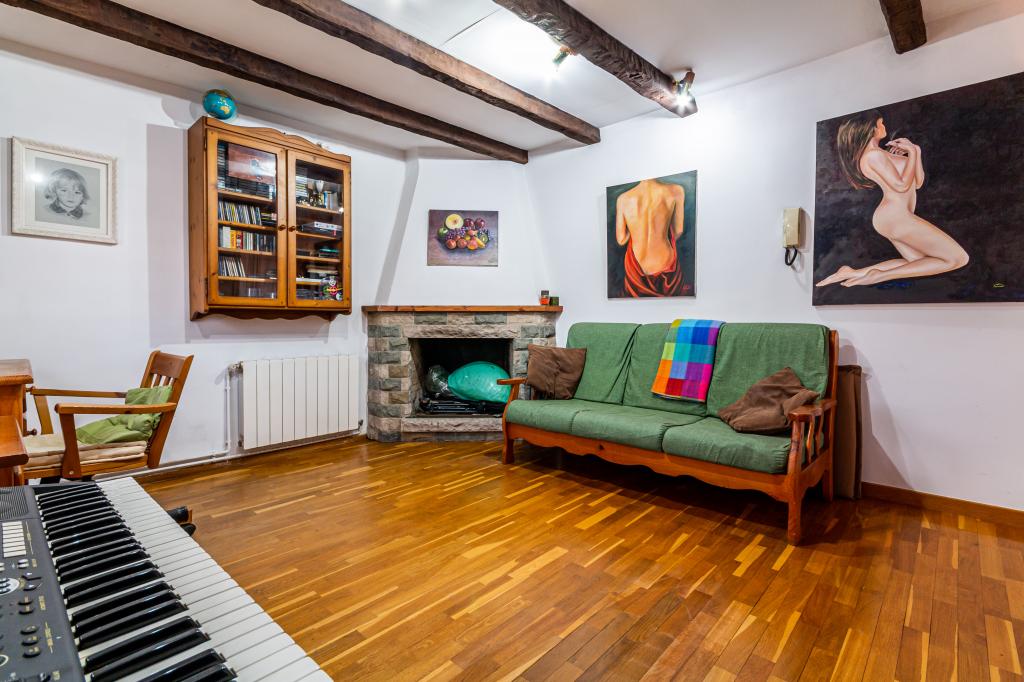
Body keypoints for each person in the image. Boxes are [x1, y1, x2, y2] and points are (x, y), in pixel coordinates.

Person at [816, 111, 968, 288]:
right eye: (880, 123)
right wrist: (911, 152)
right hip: (895, 217)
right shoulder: (873, 156)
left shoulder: (881, 154)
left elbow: (918, 183)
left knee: (920, 263)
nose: (883, 126)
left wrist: (916, 152)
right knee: (958, 258)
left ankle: (853, 273)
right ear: (870, 129)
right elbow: (901, 186)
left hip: (894, 217)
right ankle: (879, 276)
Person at [615, 178, 687, 296]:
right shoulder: (676, 191)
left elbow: (621, 240)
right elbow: (678, 230)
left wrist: (635, 229)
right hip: (665, 260)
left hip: (636, 266)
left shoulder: (623, 199)